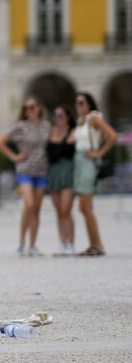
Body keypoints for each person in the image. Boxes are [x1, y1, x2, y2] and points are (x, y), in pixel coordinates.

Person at [0, 96, 51, 256]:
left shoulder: (46, 126)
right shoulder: (19, 126)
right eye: (26, 108)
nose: (29, 110)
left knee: (36, 209)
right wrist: (13, 156)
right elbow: (1, 141)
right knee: (29, 204)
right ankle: (21, 242)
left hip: (41, 170)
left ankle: (32, 245)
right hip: (25, 169)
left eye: (32, 107)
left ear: (39, 108)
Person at [71, 91, 116, 257]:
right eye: (76, 103)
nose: (78, 106)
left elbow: (112, 135)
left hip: (89, 163)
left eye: (81, 102)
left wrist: (99, 153)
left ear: (89, 104)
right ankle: (94, 244)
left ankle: (97, 245)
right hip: (80, 162)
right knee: (84, 207)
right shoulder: (81, 121)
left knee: (85, 206)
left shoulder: (94, 118)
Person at [46, 103, 77, 256]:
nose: (57, 118)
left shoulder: (74, 132)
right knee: (58, 211)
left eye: (60, 115)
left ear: (68, 117)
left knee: (66, 209)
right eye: (56, 115)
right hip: (53, 172)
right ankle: (62, 242)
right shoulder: (50, 132)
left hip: (67, 171)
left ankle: (71, 242)